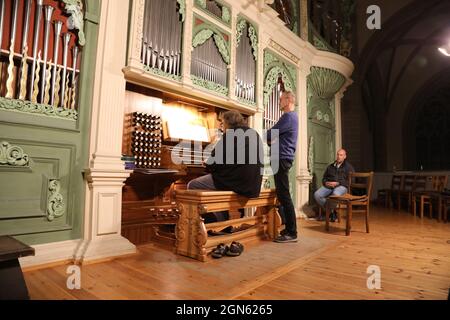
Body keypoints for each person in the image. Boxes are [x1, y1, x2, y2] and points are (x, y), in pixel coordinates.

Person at [187, 110, 264, 222]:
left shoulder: (231, 134)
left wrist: (207, 163)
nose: (221, 127)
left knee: (192, 185)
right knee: (214, 186)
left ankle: (209, 223)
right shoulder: (253, 133)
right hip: (252, 183)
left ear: (228, 122)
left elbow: (215, 159)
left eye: (222, 123)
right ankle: (222, 221)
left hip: (238, 183)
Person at [267, 91, 299, 243]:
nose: (279, 102)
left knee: (284, 195)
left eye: (280, 99)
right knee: (282, 194)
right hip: (282, 158)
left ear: (287, 100)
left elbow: (269, 134)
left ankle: (292, 232)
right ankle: (288, 229)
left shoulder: (288, 117)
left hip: (281, 158)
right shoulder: (293, 117)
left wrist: (271, 138)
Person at [314, 149, 355, 222]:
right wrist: (326, 183)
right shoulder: (330, 166)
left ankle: (330, 213)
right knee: (317, 194)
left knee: (335, 194)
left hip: (342, 186)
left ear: (345, 156)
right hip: (329, 186)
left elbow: (351, 181)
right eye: (338, 154)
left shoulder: (349, 167)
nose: (339, 156)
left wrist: (338, 183)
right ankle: (333, 212)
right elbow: (324, 178)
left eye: (341, 155)